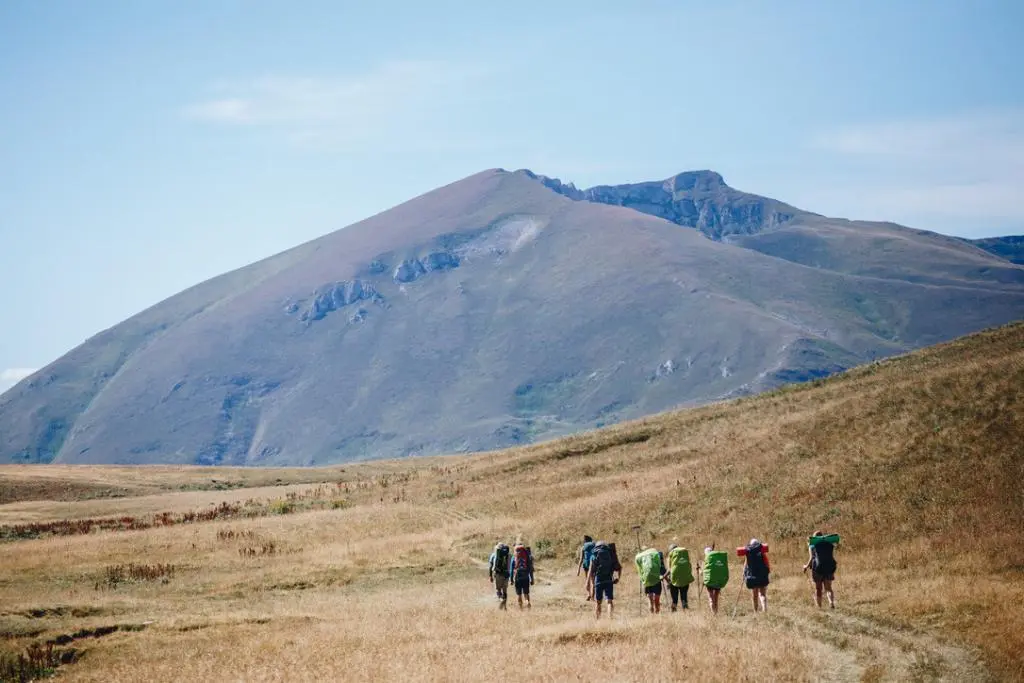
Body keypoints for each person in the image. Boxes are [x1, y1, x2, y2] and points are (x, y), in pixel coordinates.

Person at [803, 530, 838, 608]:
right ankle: (831, 603)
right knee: (828, 588)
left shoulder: (812, 546)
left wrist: (806, 566)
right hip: (829, 567)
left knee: (818, 589)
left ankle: (819, 608)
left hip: (817, 569)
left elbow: (811, 558)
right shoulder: (829, 544)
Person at [588, 540, 621, 619]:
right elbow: (619, 567)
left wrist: (588, 582)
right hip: (608, 579)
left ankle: (597, 620)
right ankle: (610, 619)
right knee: (609, 601)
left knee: (598, 602)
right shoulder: (610, 554)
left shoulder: (594, 554)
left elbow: (591, 570)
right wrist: (618, 578)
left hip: (598, 579)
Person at [740, 538, 770, 613]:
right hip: (762, 576)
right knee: (762, 594)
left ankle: (755, 611)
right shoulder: (761, 552)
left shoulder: (748, 552)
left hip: (752, 576)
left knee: (754, 595)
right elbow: (767, 564)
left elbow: (745, 565)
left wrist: (743, 574)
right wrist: (768, 572)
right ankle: (764, 609)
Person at [664, 542, 695, 611]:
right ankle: (685, 609)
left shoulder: (670, 557)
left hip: (674, 579)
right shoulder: (684, 555)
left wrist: (664, 577)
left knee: (674, 597)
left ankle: (674, 610)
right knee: (684, 595)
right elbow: (689, 566)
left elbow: (669, 570)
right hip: (685, 578)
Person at [700, 543, 729, 615]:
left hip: (710, 582)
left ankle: (714, 614)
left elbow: (702, 573)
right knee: (716, 598)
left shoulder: (706, 561)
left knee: (711, 598)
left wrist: (699, 569)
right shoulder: (717, 559)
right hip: (719, 581)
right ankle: (716, 612)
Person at [635, 546, 665, 614]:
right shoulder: (654, 555)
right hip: (656, 579)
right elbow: (660, 565)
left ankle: (651, 615)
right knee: (657, 599)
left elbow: (639, 570)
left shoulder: (641, 557)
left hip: (647, 580)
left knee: (650, 600)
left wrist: (642, 579)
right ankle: (657, 613)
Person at [510, 541, 534, 609]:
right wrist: (532, 579)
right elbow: (530, 569)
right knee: (526, 593)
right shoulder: (527, 556)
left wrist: (511, 580)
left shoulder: (514, 557)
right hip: (526, 576)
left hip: (518, 577)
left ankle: (521, 609)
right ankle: (527, 602)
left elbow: (511, 570)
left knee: (519, 594)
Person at [488, 541, 511, 610]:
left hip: (498, 574)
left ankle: (501, 599)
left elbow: (491, 566)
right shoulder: (508, 555)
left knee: (498, 589)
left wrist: (490, 576)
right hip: (506, 574)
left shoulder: (494, 555)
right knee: (505, 591)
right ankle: (505, 607)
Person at [577, 535, 596, 600]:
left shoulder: (583, 547)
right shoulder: (594, 545)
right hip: (593, 564)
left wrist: (578, 569)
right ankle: (593, 597)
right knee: (593, 581)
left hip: (586, 565)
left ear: (585, 541)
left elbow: (581, 559)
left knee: (587, 580)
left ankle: (588, 594)